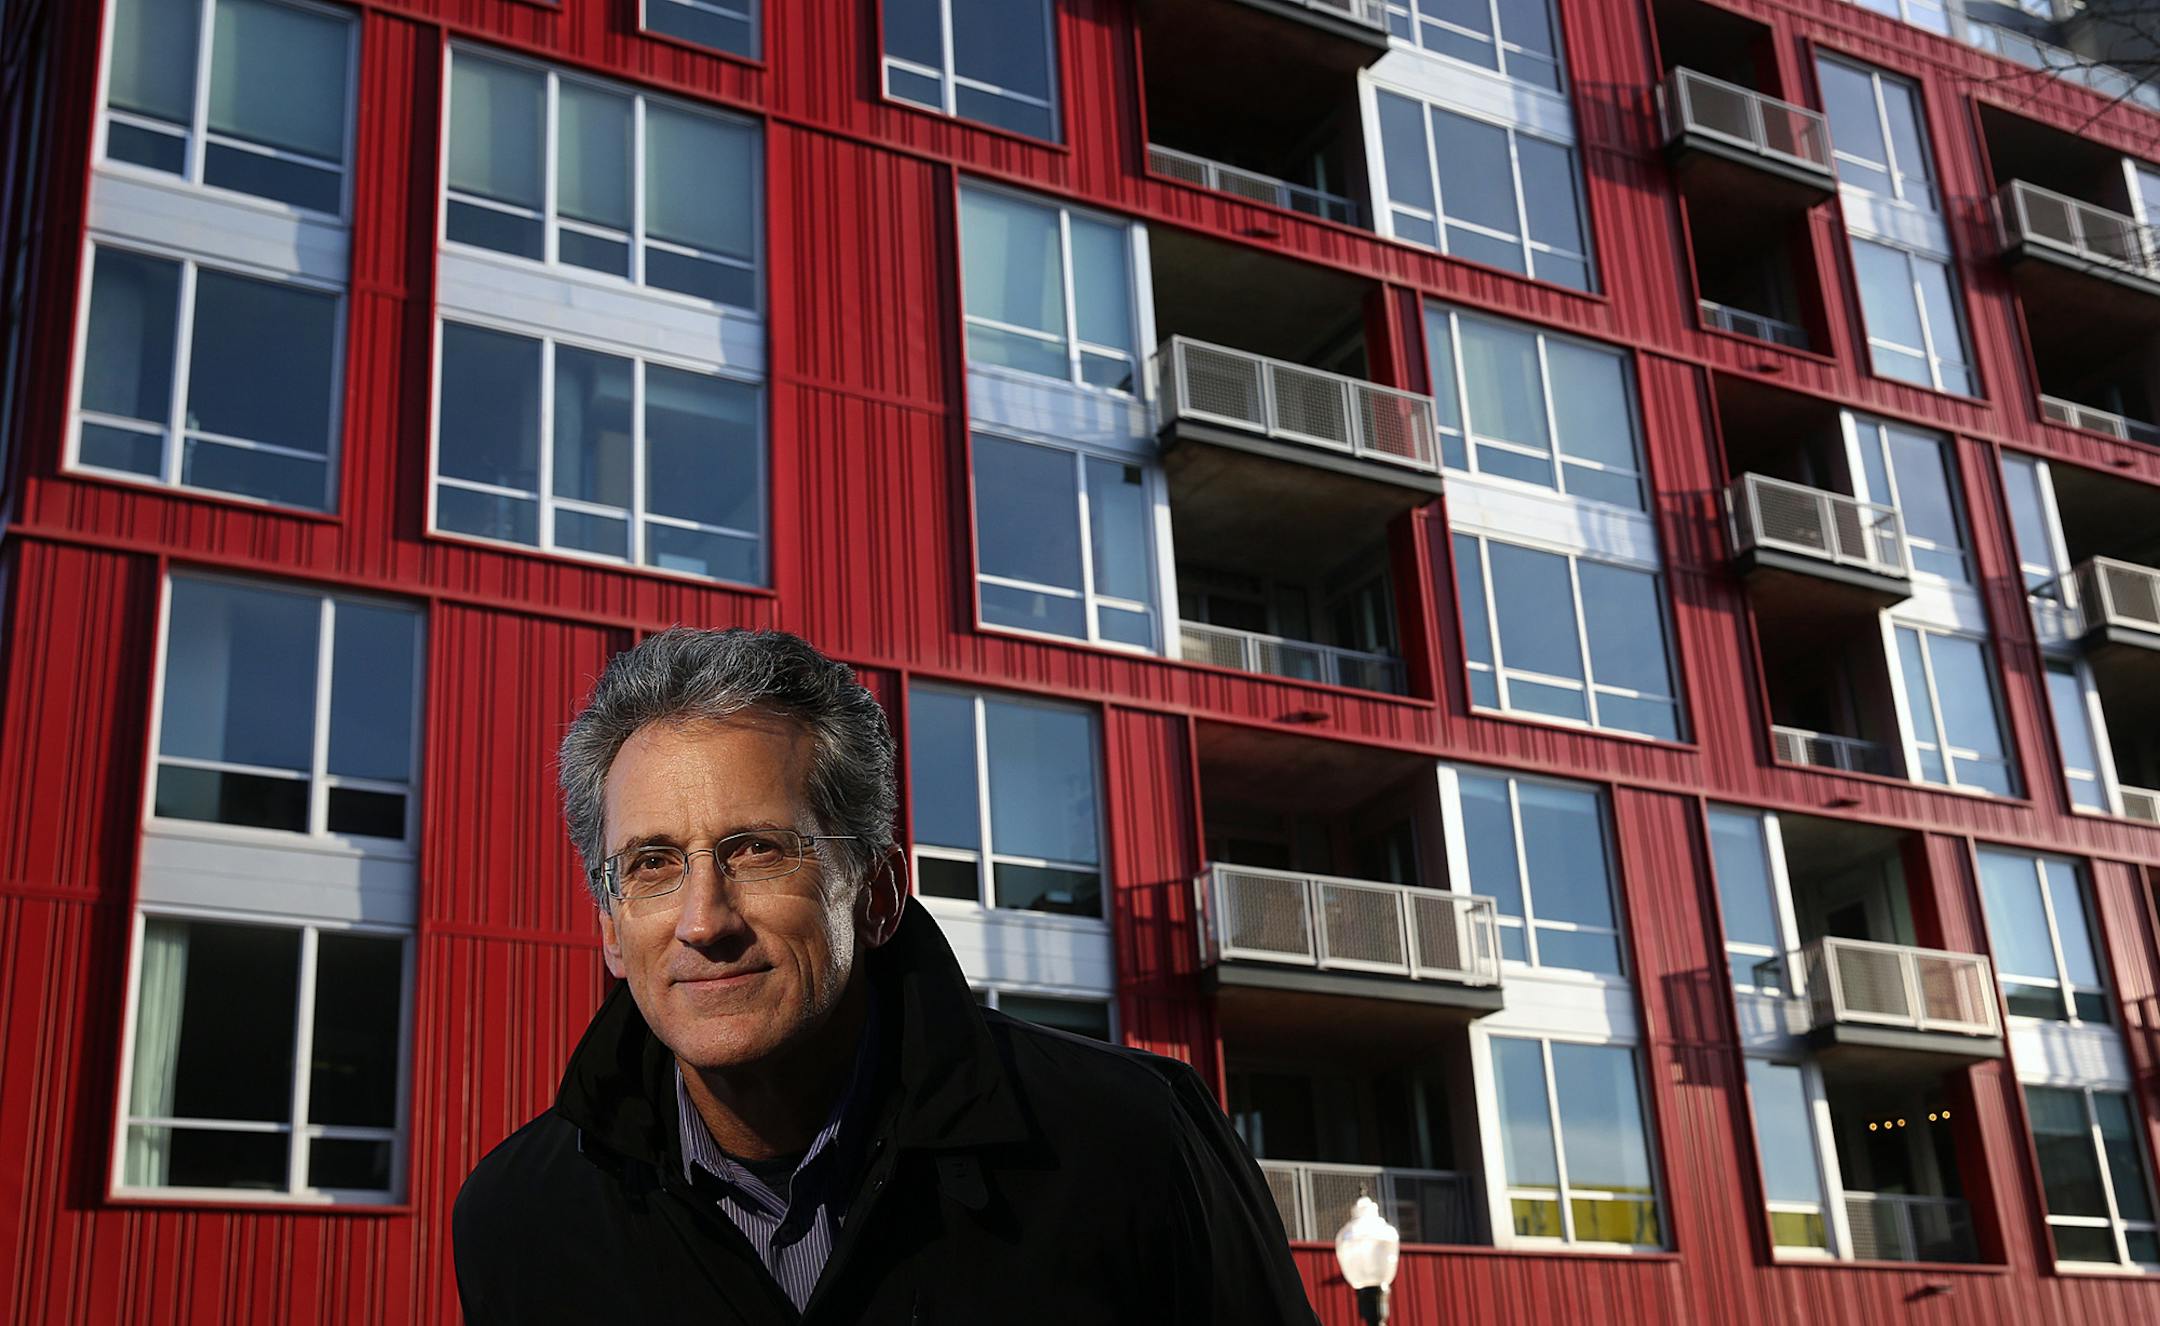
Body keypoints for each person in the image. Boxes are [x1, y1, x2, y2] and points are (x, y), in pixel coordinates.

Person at [452, 627, 1322, 1325]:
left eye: (758, 851)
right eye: (651, 864)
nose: (704, 920)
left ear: (876, 895)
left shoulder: (1133, 1141)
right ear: (610, 927)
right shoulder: (519, 1220)